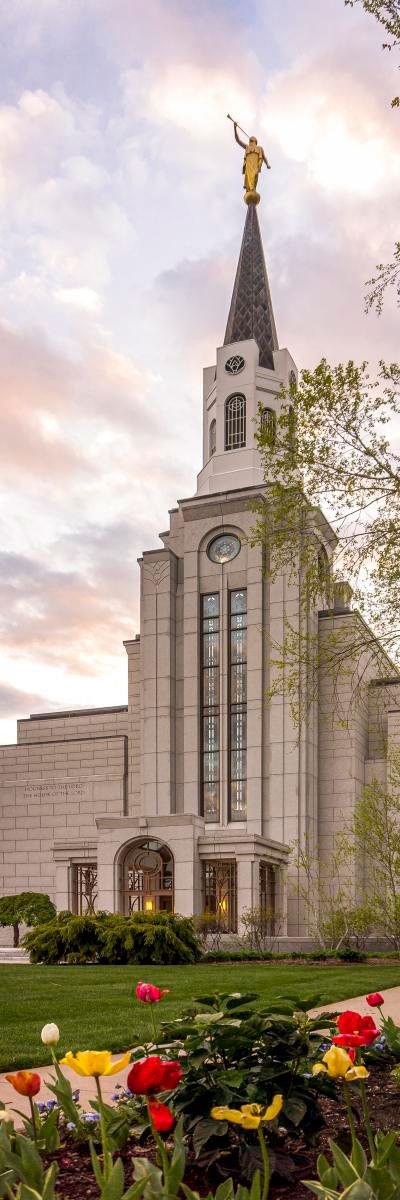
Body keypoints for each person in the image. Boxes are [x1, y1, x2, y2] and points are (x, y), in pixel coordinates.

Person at [234, 123, 271, 193]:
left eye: (252, 139)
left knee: (254, 176)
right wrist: (235, 128)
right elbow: (238, 140)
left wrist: (267, 164)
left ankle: (252, 189)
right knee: (249, 179)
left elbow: (264, 157)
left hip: (256, 166)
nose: (251, 140)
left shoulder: (259, 148)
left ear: (255, 141)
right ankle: (250, 190)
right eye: (250, 139)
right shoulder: (247, 147)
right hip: (248, 166)